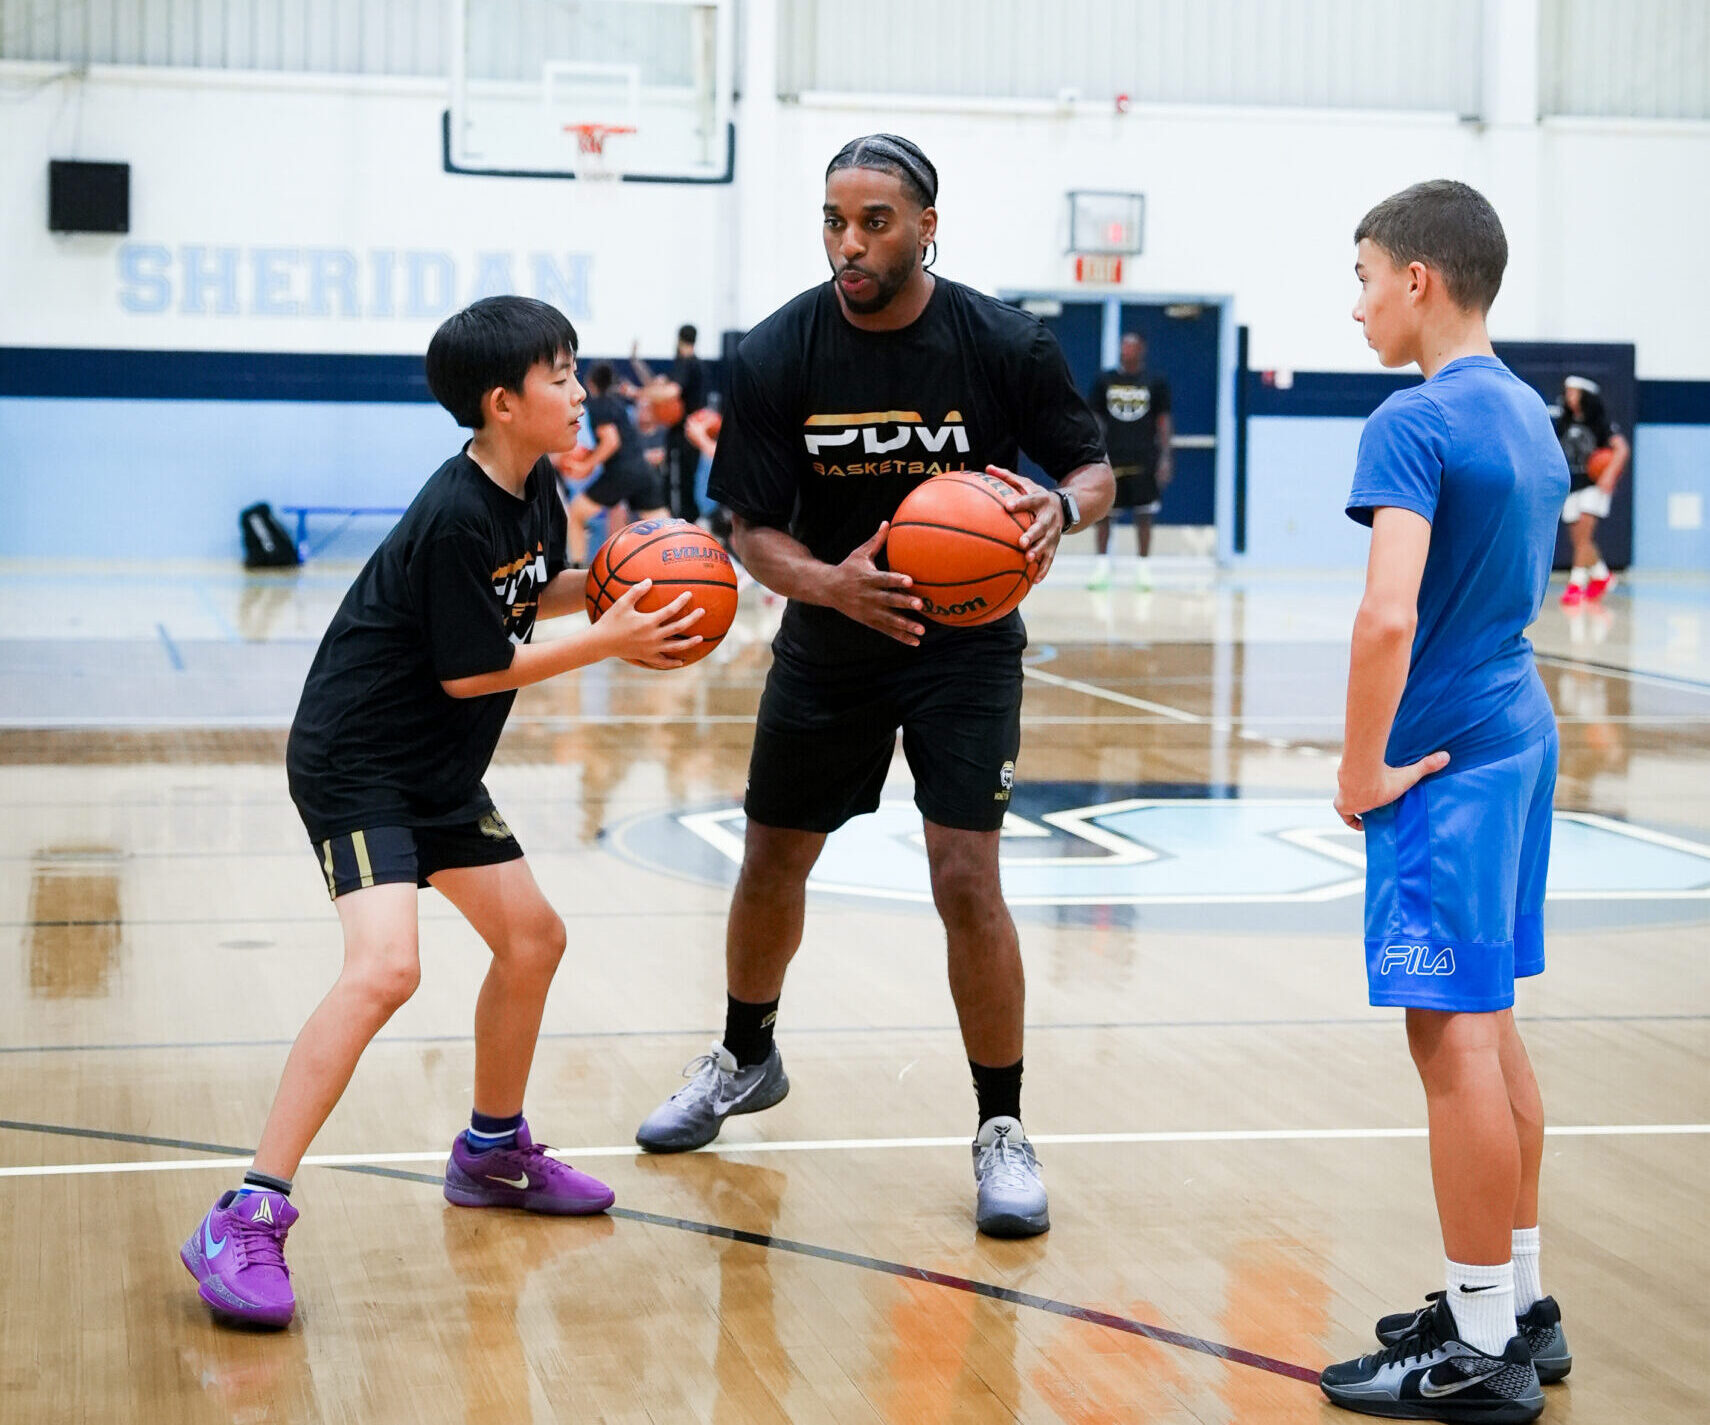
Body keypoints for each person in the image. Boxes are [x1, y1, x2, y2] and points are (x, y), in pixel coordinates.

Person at [178, 296, 704, 1330]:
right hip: (361, 758)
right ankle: (244, 1212)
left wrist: (613, 583)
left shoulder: (528, 488)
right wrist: (615, 639)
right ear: (504, 403)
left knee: (533, 940)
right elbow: (475, 669)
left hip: (435, 770)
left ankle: (493, 1153)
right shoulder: (456, 507)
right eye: (561, 376)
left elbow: (525, 592)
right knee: (386, 968)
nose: (581, 391)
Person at [631, 133, 1113, 1238]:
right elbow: (750, 530)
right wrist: (830, 588)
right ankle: (746, 1056)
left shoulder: (1002, 342)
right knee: (772, 858)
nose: (851, 244)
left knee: (964, 878)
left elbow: (1087, 464)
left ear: (926, 226)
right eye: (835, 223)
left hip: (965, 644)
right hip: (833, 634)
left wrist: (1063, 508)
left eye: (876, 223)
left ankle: (1002, 1126)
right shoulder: (777, 353)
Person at [1319, 181, 1568, 1421]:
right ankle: (1517, 1304)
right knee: (1495, 1023)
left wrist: (1361, 767)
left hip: (1447, 764)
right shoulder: (1530, 415)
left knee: (1451, 1037)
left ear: (1419, 278)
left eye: (1364, 275)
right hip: (1520, 733)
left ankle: (1477, 1354)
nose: (1357, 301)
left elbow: (1388, 614)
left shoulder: (1410, 420)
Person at [561, 361, 670, 567]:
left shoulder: (599, 404)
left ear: (590, 383)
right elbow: (615, 441)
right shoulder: (618, 403)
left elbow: (611, 441)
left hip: (622, 472)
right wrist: (592, 455)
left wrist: (587, 464)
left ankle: (576, 571)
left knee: (575, 514)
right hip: (642, 470)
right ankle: (686, 566)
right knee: (666, 529)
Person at [1086, 332, 1172, 589]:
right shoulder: (1105, 380)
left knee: (1144, 515)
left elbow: (1164, 421)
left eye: (1132, 345)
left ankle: (1143, 570)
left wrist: (1166, 456)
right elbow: (1094, 418)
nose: (1127, 349)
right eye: (1123, 344)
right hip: (1112, 457)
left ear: (1142, 349)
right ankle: (1101, 568)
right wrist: (1093, 454)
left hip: (1144, 457)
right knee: (1105, 514)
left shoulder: (1155, 382)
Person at [1554, 375, 1630, 605]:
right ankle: (1602, 575)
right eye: (1567, 392)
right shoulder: (1565, 422)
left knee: (1584, 535)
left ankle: (1576, 584)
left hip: (1593, 485)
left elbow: (1621, 449)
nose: (1569, 396)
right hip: (1573, 484)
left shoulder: (1600, 422)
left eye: (1574, 392)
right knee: (1579, 539)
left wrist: (1609, 473)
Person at [628, 325, 708, 523]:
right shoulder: (695, 365)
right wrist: (636, 362)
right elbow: (656, 384)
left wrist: (637, 393)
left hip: (684, 436)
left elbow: (668, 391)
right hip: (689, 435)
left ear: (679, 339)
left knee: (677, 488)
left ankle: (679, 529)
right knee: (683, 485)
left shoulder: (686, 364)